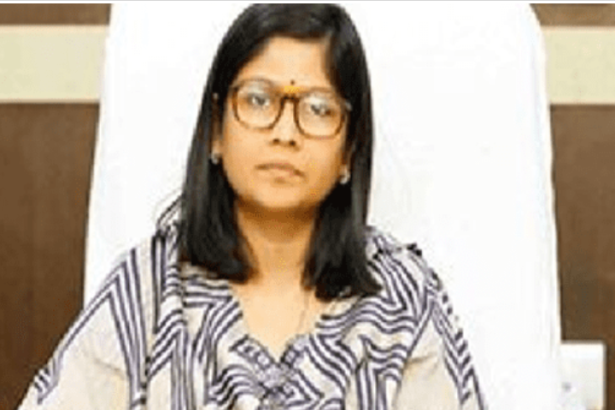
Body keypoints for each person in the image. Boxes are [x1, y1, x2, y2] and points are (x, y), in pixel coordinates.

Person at [18, 4, 485, 409]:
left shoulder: (401, 297)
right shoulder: (149, 289)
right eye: (258, 100)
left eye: (318, 108)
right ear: (216, 132)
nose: (285, 132)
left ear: (349, 152)